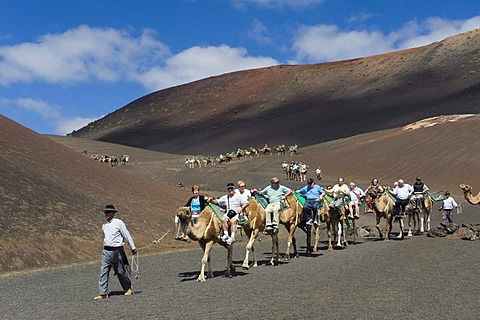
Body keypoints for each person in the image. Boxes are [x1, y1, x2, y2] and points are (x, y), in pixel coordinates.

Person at [94, 205, 137, 300]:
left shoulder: (119, 223)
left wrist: (133, 248)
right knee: (103, 272)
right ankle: (103, 293)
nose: (106, 214)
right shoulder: (104, 225)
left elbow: (127, 235)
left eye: (108, 212)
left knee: (120, 271)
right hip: (106, 251)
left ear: (113, 213)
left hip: (117, 251)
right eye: (105, 212)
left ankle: (128, 288)